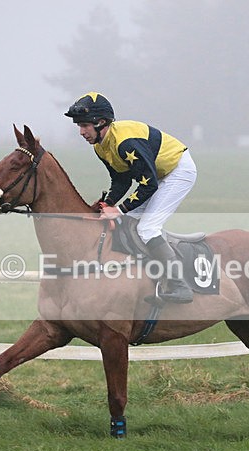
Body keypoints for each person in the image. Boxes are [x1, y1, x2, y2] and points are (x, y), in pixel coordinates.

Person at [65, 92, 195, 303]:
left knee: (147, 228)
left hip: (178, 171)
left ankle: (180, 286)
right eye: (79, 126)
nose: (81, 132)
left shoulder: (126, 143)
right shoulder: (100, 146)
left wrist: (118, 209)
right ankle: (147, 276)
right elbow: (122, 180)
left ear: (101, 122)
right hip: (157, 175)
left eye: (85, 125)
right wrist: (107, 203)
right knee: (128, 223)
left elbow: (149, 184)